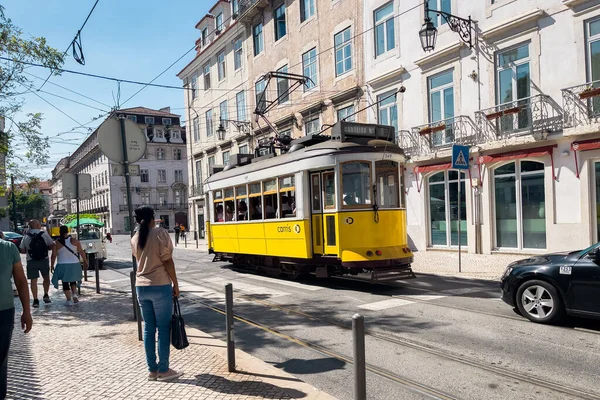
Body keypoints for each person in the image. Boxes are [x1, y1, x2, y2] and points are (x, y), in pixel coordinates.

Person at [131, 206, 183, 382]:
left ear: (137, 221)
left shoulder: (135, 238)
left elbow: (139, 260)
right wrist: (175, 283)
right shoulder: (160, 234)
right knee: (163, 328)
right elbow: (168, 261)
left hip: (140, 287)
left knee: (149, 328)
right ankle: (164, 370)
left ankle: (152, 370)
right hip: (160, 285)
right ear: (153, 218)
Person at [1, 236, 32, 400]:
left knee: (1, 361)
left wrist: (26, 310)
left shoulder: (8, 248)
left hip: (3, 312)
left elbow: (20, 280)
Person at [19, 220, 54, 308]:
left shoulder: (26, 236)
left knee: (33, 281)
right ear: (38, 225)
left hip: (31, 260)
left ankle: (35, 300)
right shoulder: (44, 234)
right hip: (44, 260)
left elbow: (22, 250)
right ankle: (46, 295)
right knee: (46, 278)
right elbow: (51, 245)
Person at [50, 226, 88, 305]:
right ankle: (74, 295)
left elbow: (53, 255)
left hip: (62, 264)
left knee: (65, 282)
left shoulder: (56, 243)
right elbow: (81, 252)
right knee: (73, 280)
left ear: (59, 231)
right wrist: (85, 260)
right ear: (67, 231)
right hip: (74, 264)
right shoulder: (75, 241)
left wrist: (52, 265)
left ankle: (68, 300)